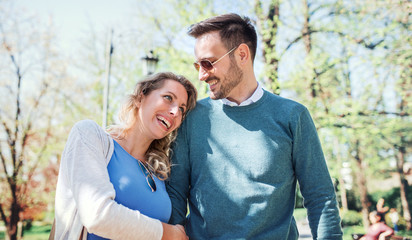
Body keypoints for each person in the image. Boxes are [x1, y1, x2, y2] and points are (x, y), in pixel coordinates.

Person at [166, 13, 343, 239]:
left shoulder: (292, 116)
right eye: (197, 65)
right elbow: (175, 196)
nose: (201, 75)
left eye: (208, 63)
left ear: (241, 54)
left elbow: (321, 197)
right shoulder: (191, 118)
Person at [53, 72, 197, 240]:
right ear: (140, 97)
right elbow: (97, 216)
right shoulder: (90, 136)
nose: (175, 112)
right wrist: (168, 233)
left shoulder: (160, 172)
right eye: (168, 98)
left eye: (181, 109)